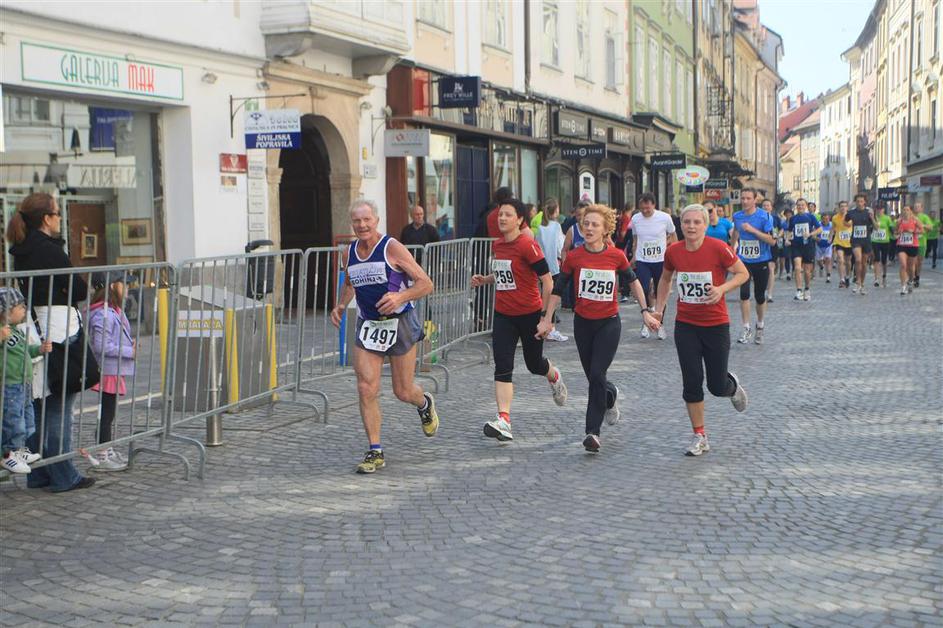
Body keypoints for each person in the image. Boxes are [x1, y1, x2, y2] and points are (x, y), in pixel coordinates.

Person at [537, 205, 659, 452]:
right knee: (595, 377)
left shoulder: (615, 256)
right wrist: (547, 319)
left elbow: (634, 282)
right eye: (586, 224)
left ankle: (592, 432)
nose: (589, 228)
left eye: (595, 224)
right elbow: (558, 289)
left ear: (605, 230)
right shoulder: (574, 257)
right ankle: (610, 396)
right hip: (583, 323)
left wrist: (645, 311)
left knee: (596, 374)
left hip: (608, 323)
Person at [330, 199, 440, 474]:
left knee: (403, 391)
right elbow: (350, 283)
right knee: (366, 387)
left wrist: (400, 297)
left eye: (367, 219)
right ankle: (375, 450)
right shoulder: (349, 252)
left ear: (376, 221)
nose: (362, 225)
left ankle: (423, 402)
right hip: (369, 325)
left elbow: (426, 283)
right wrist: (341, 305)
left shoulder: (391, 247)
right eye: (357, 221)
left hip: (400, 323)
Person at [7, 192, 95, 491]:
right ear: (46, 218)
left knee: (40, 405)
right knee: (59, 406)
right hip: (59, 329)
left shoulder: (20, 249)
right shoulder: (50, 250)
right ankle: (63, 474)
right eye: (57, 214)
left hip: (37, 327)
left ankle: (38, 473)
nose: (60, 219)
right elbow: (79, 290)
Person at [653, 204, 749, 457]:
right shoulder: (673, 251)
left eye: (697, 222)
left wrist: (721, 289)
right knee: (692, 381)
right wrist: (658, 310)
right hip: (686, 325)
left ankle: (731, 386)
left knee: (716, 386)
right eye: (687, 222)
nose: (691, 226)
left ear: (706, 225)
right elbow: (665, 279)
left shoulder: (718, 248)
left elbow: (742, 273)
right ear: (681, 225)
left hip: (716, 325)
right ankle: (700, 435)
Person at [471, 199, 567, 443]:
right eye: (500, 214)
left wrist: (546, 318)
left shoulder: (527, 245)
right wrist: (486, 279)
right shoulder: (498, 245)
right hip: (503, 315)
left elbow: (548, 281)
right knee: (502, 366)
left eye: (508, 215)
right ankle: (504, 420)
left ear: (520, 220)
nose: (502, 218)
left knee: (534, 364)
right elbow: (506, 273)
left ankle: (554, 375)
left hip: (529, 314)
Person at [87, 272, 136, 471]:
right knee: (106, 414)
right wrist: (129, 351)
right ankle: (102, 454)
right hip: (107, 371)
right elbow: (101, 346)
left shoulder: (114, 310)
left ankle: (106, 449)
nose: (128, 288)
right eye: (124, 284)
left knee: (109, 413)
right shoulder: (103, 314)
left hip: (114, 370)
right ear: (113, 286)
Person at [0, 288, 52, 474]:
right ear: (6, 311)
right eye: (20, 307)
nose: (24, 310)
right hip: (9, 383)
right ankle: (8, 454)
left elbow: (25, 351)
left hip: (24, 382)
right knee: (13, 420)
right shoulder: (3, 331)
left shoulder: (16, 330)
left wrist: (39, 350)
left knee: (27, 419)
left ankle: (19, 449)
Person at [730, 188, 776, 345]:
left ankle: (760, 326)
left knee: (759, 296)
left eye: (748, 198)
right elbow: (735, 233)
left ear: (755, 200)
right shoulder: (737, 216)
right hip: (743, 261)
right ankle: (746, 328)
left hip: (761, 260)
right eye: (742, 198)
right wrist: (731, 249)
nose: (744, 201)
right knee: (744, 294)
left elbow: (772, 241)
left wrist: (753, 230)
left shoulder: (765, 217)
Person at [630, 193, 676, 339]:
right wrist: (633, 256)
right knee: (643, 289)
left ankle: (659, 324)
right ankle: (646, 321)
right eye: (642, 208)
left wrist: (674, 254)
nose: (645, 211)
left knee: (660, 293)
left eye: (647, 208)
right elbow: (635, 239)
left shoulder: (664, 218)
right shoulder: (635, 219)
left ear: (654, 205)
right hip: (643, 259)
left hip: (661, 260)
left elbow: (673, 236)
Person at [534, 199, 568, 342]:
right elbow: (560, 245)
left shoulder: (539, 228)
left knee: (543, 298)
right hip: (553, 266)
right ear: (555, 211)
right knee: (553, 298)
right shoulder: (556, 226)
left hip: (541, 265)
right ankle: (551, 328)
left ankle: (543, 325)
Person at [788, 198, 822, 301]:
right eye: (798, 205)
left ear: (805, 206)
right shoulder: (793, 219)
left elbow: (820, 229)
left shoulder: (810, 217)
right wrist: (788, 239)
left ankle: (807, 289)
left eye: (802, 205)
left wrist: (810, 234)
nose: (800, 207)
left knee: (807, 271)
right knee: (797, 268)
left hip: (808, 246)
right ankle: (799, 290)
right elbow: (789, 231)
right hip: (796, 246)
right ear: (796, 206)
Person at [844, 194, 876, 294]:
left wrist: (872, 218)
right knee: (858, 260)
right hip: (856, 240)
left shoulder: (868, 212)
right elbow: (845, 222)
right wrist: (848, 225)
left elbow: (876, 227)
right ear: (855, 202)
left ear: (864, 202)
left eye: (861, 201)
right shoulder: (851, 212)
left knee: (864, 263)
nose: (859, 203)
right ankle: (857, 282)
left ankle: (862, 284)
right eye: (857, 201)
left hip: (866, 240)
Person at [894, 205, 923, 295]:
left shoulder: (915, 220)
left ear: (910, 211)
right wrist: (897, 233)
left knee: (911, 267)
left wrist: (913, 231)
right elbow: (895, 232)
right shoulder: (899, 221)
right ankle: (903, 287)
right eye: (904, 209)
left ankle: (910, 280)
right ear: (902, 211)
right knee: (903, 265)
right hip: (901, 245)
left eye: (907, 210)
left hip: (912, 245)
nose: (905, 211)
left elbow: (922, 230)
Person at [870, 204, 895, 287]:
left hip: (885, 241)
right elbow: (870, 228)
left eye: (880, 209)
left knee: (884, 261)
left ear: (883, 210)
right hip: (875, 241)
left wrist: (894, 234)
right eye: (877, 209)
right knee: (877, 259)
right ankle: (876, 279)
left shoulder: (887, 218)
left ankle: (884, 276)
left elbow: (891, 228)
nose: (879, 211)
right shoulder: (873, 217)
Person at [831, 201, 853, 288]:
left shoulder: (850, 216)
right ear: (839, 208)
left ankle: (847, 276)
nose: (843, 208)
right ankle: (842, 279)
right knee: (840, 259)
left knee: (848, 262)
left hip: (849, 242)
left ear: (847, 208)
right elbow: (833, 228)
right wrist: (830, 237)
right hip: (838, 241)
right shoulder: (835, 217)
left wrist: (844, 218)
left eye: (845, 206)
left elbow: (848, 225)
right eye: (841, 206)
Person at [913, 202, 934, 287]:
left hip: (922, 243)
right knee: (913, 262)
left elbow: (930, 227)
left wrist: (923, 225)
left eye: (918, 207)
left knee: (919, 262)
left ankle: (917, 277)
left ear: (922, 208)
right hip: (912, 243)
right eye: (915, 206)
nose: (916, 208)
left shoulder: (924, 217)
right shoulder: (911, 216)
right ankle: (913, 277)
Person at [815, 214, 833, 284]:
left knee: (828, 260)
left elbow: (834, 233)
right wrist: (816, 238)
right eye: (824, 219)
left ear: (829, 219)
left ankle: (828, 276)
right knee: (819, 261)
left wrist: (831, 239)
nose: (825, 220)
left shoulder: (831, 225)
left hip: (828, 246)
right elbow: (813, 234)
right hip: (819, 246)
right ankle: (821, 266)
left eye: (827, 219)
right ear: (821, 219)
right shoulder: (818, 225)